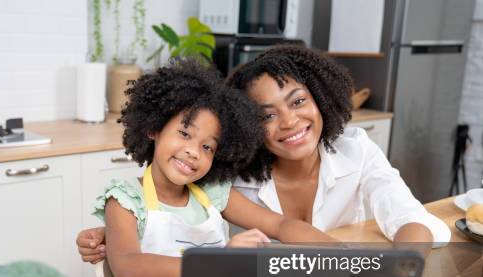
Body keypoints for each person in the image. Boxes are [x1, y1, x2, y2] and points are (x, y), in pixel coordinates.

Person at [78, 45, 450, 265]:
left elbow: (406, 214)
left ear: (321, 98)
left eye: (299, 101)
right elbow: (166, 211)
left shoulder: (357, 150)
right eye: (266, 115)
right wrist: (118, 229)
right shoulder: (225, 175)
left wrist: (385, 267)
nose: (289, 122)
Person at [95, 58, 332, 277]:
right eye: (185, 134)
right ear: (154, 129)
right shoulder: (125, 201)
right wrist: (217, 263)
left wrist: (346, 257)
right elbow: (128, 267)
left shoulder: (212, 193)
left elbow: (281, 226)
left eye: (207, 147)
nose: (194, 152)